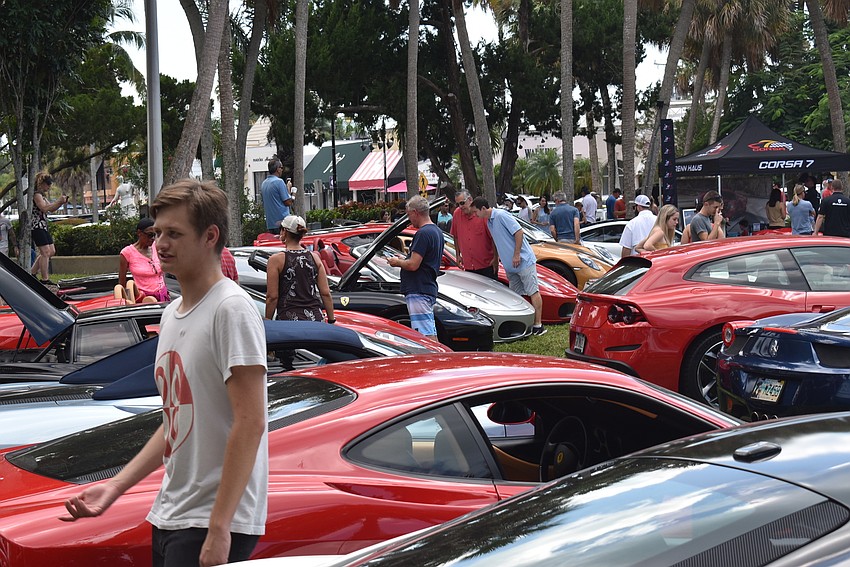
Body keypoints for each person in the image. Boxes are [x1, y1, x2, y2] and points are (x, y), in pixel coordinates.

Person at [61, 179, 269, 567]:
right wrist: (115, 487)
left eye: (174, 233)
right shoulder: (172, 314)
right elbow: (178, 417)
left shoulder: (231, 309)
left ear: (210, 236)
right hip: (171, 513)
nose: (160, 244)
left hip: (211, 522)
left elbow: (251, 422)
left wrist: (220, 527)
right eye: (157, 233)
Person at [470, 197, 546, 336]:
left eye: (476, 212)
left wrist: (516, 254)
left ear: (483, 209)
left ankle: (538, 325)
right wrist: (496, 257)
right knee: (516, 295)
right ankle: (521, 324)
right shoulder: (489, 221)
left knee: (532, 291)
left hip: (523, 261)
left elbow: (519, 232)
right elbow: (498, 240)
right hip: (510, 265)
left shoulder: (501, 215)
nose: (475, 215)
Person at [387, 196, 443, 340]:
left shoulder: (423, 234)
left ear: (415, 212)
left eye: (408, 214)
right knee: (429, 328)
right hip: (426, 286)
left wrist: (397, 262)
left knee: (424, 334)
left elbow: (413, 265)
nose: (408, 218)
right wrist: (404, 260)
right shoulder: (436, 231)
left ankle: (431, 360)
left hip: (419, 288)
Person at [265, 215, 335, 323]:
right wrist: (331, 320)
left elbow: (272, 297)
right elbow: (325, 293)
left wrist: (268, 321)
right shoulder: (314, 258)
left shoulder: (276, 260)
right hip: (315, 319)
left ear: (284, 232)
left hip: (289, 321)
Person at [119, 217, 170, 302]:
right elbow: (122, 283)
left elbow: (162, 273)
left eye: (155, 235)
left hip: (162, 296)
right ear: (139, 233)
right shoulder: (127, 253)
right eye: (150, 235)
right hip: (144, 300)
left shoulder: (156, 246)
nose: (153, 238)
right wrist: (128, 301)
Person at [30, 172, 68, 284]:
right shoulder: (36, 195)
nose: (49, 187)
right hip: (36, 226)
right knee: (45, 252)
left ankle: (32, 272)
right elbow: (44, 208)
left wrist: (60, 203)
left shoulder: (42, 196)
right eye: (48, 184)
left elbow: (51, 208)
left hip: (43, 226)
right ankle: (45, 279)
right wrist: (58, 201)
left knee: (51, 251)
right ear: (41, 183)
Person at [451, 191, 496, 279]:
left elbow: (493, 238)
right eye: (458, 204)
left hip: (486, 265)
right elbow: (455, 236)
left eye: (462, 203)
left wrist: (496, 258)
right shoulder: (457, 214)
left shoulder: (481, 214)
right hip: (468, 266)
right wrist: (457, 255)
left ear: (470, 200)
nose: (460, 207)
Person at [260, 158, 293, 234]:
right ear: (277, 169)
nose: (282, 170)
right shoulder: (279, 182)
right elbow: (288, 202)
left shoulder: (264, 184)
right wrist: (288, 188)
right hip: (283, 222)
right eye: (281, 167)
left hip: (270, 224)